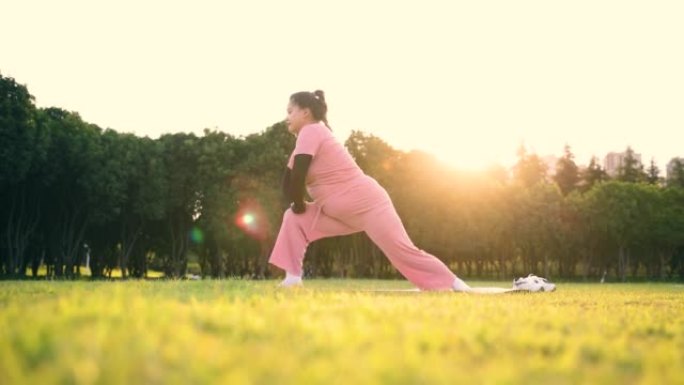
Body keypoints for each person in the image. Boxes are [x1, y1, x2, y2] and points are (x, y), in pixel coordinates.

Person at [268, 90, 471, 292]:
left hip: (369, 204)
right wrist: (297, 204)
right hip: (338, 214)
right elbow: (288, 180)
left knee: (402, 251)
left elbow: (299, 173)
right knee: (294, 219)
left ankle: (454, 283)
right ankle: (292, 279)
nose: (287, 117)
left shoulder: (312, 131)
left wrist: (298, 202)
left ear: (305, 112)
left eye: (290, 111)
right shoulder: (304, 141)